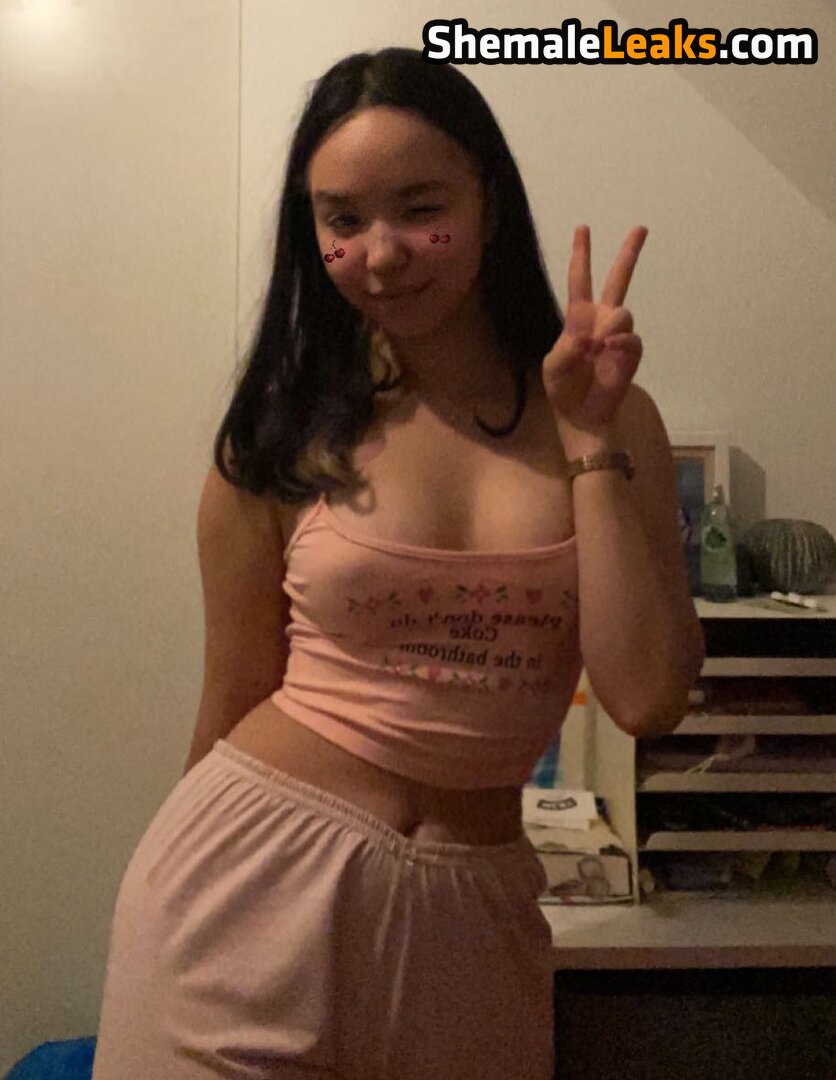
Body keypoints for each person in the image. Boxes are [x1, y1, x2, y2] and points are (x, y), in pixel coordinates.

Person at [92, 46, 705, 1080]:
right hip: (246, 893)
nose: (380, 254)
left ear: (488, 206)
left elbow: (645, 696)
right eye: (341, 220)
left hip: (470, 917)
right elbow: (231, 699)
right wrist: (167, 893)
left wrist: (588, 438)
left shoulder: (608, 416)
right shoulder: (285, 428)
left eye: (421, 209)